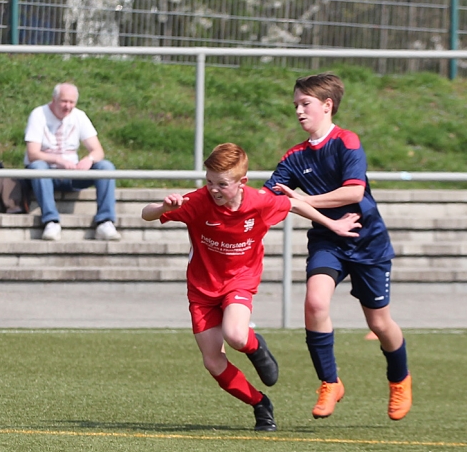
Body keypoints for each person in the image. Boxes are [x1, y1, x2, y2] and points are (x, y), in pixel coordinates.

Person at [142, 142, 362, 432]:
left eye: (222, 184)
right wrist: (163, 207)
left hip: (240, 280)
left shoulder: (259, 201)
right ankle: (260, 403)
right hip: (202, 288)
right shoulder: (196, 202)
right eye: (209, 182)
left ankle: (255, 347)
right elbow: (146, 214)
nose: (214, 190)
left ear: (242, 182)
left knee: (235, 334)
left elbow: (294, 204)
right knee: (213, 362)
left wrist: (332, 225)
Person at [266, 73, 412, 422]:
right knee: (315, 302)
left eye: (305, 104)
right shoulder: (295, 156)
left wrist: (305, 200)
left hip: (367, 241)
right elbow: (269, 196)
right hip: (328, 240)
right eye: (296, 105)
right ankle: (330, 382)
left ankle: (399, 380)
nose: (298, 111)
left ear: (327, 105)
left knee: (379, 323)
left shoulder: (347, 141)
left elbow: (353, 192)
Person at [25, 83, 121, 242]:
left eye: (72, 102)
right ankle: (51, 221)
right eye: (64, 101)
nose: (68, 106)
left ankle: (105, 222)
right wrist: (58, 160)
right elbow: (32, 153)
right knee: (38, 167)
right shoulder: (38, 114)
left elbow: (98, 151)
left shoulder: (79, 116)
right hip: (47, 173)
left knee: (106, 166)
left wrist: (89, 159)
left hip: (73, 173)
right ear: (54, 100)